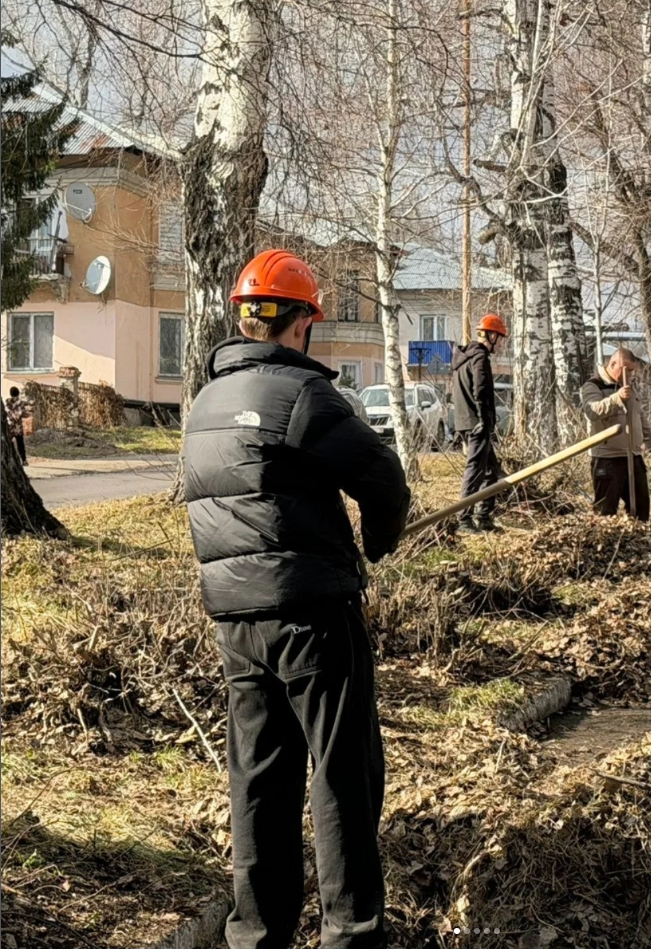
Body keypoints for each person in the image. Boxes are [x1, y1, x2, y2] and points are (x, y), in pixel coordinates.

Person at [182, 249, 410, 949]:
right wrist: (376, 543)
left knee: (259, 776)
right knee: (342, 772)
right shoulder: (304, 396)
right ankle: (351, 932)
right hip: (311, 614)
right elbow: (383, 480)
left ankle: (256, 933)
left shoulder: (203, 404)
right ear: (302, 322)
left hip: (235, 618)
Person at [581, 348, 651, 520]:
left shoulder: (628, 387)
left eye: (632, 370)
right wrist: (617, 398)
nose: (630, 374)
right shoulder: (593, 386)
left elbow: (638, 415)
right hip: (608, 459)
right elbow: (593, 411)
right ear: (613, 364)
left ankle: (639, 542)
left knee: (641, 508)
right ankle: (606, 544)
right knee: (605, 510)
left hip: (633, 455)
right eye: (627, 370)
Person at [451, 313, 507, 533]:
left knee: (490, 469)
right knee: (476, 470)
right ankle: (464, 520)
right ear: (491, 335)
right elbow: (481, 390)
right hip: (477, 423)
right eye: (500, 338)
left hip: (466, 421)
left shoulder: (464, 357)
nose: (501, 344)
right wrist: (484, 420)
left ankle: (483, 516)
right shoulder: (479, 357)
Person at [5, 386, 32, 466]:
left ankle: (8, 460)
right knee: (20, 444)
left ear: (10, 393)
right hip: (18, 427)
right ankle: (24, 460)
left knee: (8, 443)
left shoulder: (7, 402)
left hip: (10, 425)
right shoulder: (21, 403)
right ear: (18, 393)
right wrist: (28, 415)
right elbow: (23, 414)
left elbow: (6, 412)